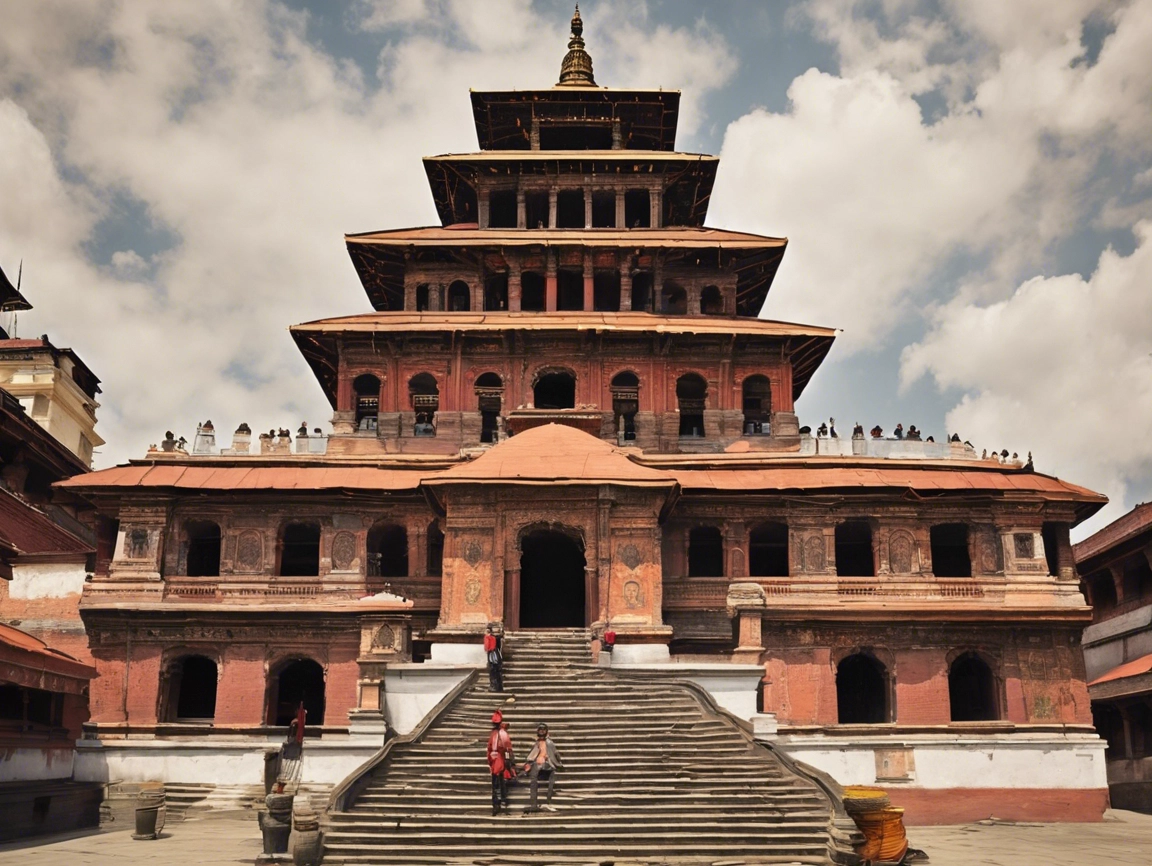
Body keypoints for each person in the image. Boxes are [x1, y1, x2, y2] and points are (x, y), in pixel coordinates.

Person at [522, 722, 564, 813]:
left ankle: (548, 801)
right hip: (537, 765)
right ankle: (533, 804)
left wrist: (557, 761)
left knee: (551, 776)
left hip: (547, 764)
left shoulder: (549, 743)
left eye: (543, 730)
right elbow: (532, 755)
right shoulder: (537, 743)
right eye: (540, 730)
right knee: (533, 779)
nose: (541, 731)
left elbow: (556, 754)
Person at [487, 711, 515, 815]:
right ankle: (499, 802)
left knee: (498, 781)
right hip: (496, 761)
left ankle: (499, 802)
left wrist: (507, 760)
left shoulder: (500, 734)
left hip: (499, 761)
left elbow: (507, 749)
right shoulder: (497, 733)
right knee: (497, 782)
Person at [484, 625, 503, 692]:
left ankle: (494, 686)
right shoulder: (496, 638)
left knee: (493, 671)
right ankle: (499, 687)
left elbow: (487, 647)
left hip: (493, 655)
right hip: (496, 655)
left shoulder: (489, 638)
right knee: (497, 672)